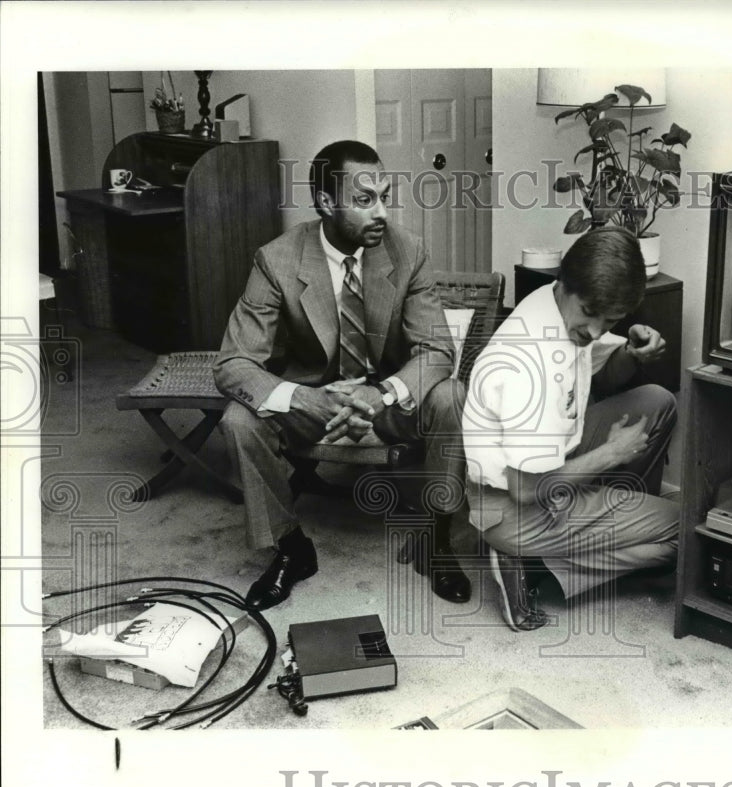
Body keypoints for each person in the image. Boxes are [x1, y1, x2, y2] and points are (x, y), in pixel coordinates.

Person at [214, 140, 469, 611]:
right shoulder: (277, 260)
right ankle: (291, 547)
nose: (381, 213)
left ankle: (438, 539)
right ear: (326, 202)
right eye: (364, 200)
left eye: (384, 197)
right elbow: (233, 364)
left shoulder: (407, 251)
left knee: (451, 396)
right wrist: (303, 400)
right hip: (316, 404)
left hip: (390, 404)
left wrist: (382, 395)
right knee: (238, 419)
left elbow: (437, 350)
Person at [462, 227, 679, 631]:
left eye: (611, 319)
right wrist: (612, 453)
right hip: (514, 506)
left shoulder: (554, 302)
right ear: (565, 283)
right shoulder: (532, 364)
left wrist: (630, 353)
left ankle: (602, 522)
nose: (596, 330)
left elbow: (604, 377)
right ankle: (534, 559)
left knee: (657, 401)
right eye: (591, 313)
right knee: (680, 534)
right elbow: (525, 489)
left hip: (549, 459)